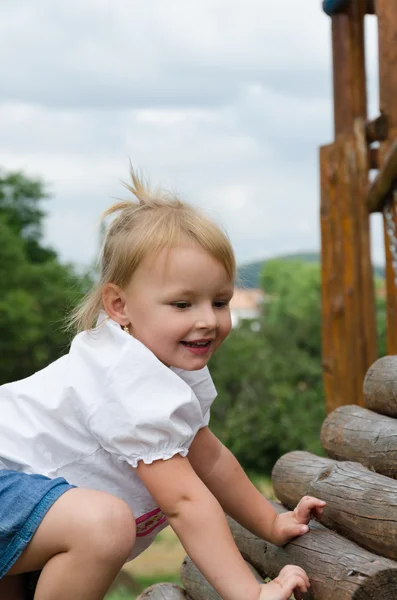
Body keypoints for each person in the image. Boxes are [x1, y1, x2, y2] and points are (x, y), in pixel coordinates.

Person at [0, 169, 325, 600]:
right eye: (182, 304)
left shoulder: (163, 368)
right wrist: (251, 593)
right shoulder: (128, 379)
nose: (207, 319)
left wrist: (270, 521)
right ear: (119, 305)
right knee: (103, 526)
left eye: (221, 301)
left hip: (16, 492)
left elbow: (209, 458)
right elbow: (185, 502)